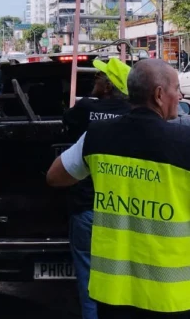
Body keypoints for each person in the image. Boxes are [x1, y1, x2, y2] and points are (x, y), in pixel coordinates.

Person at [47, 59, 190, 318]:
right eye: (176, 89)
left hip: (114, 297)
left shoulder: (97, 136)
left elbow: (55, 177)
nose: (179, 95)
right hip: (172, 300)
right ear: (159, 95)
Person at [62, 58, 133, 319]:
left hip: (87, 209)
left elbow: (66, 121)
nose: (94, 80)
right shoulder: (133, 114)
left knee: (90, 280)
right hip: (126, 211)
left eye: (99, 77)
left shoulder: (85, 109)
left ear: (108, 86)